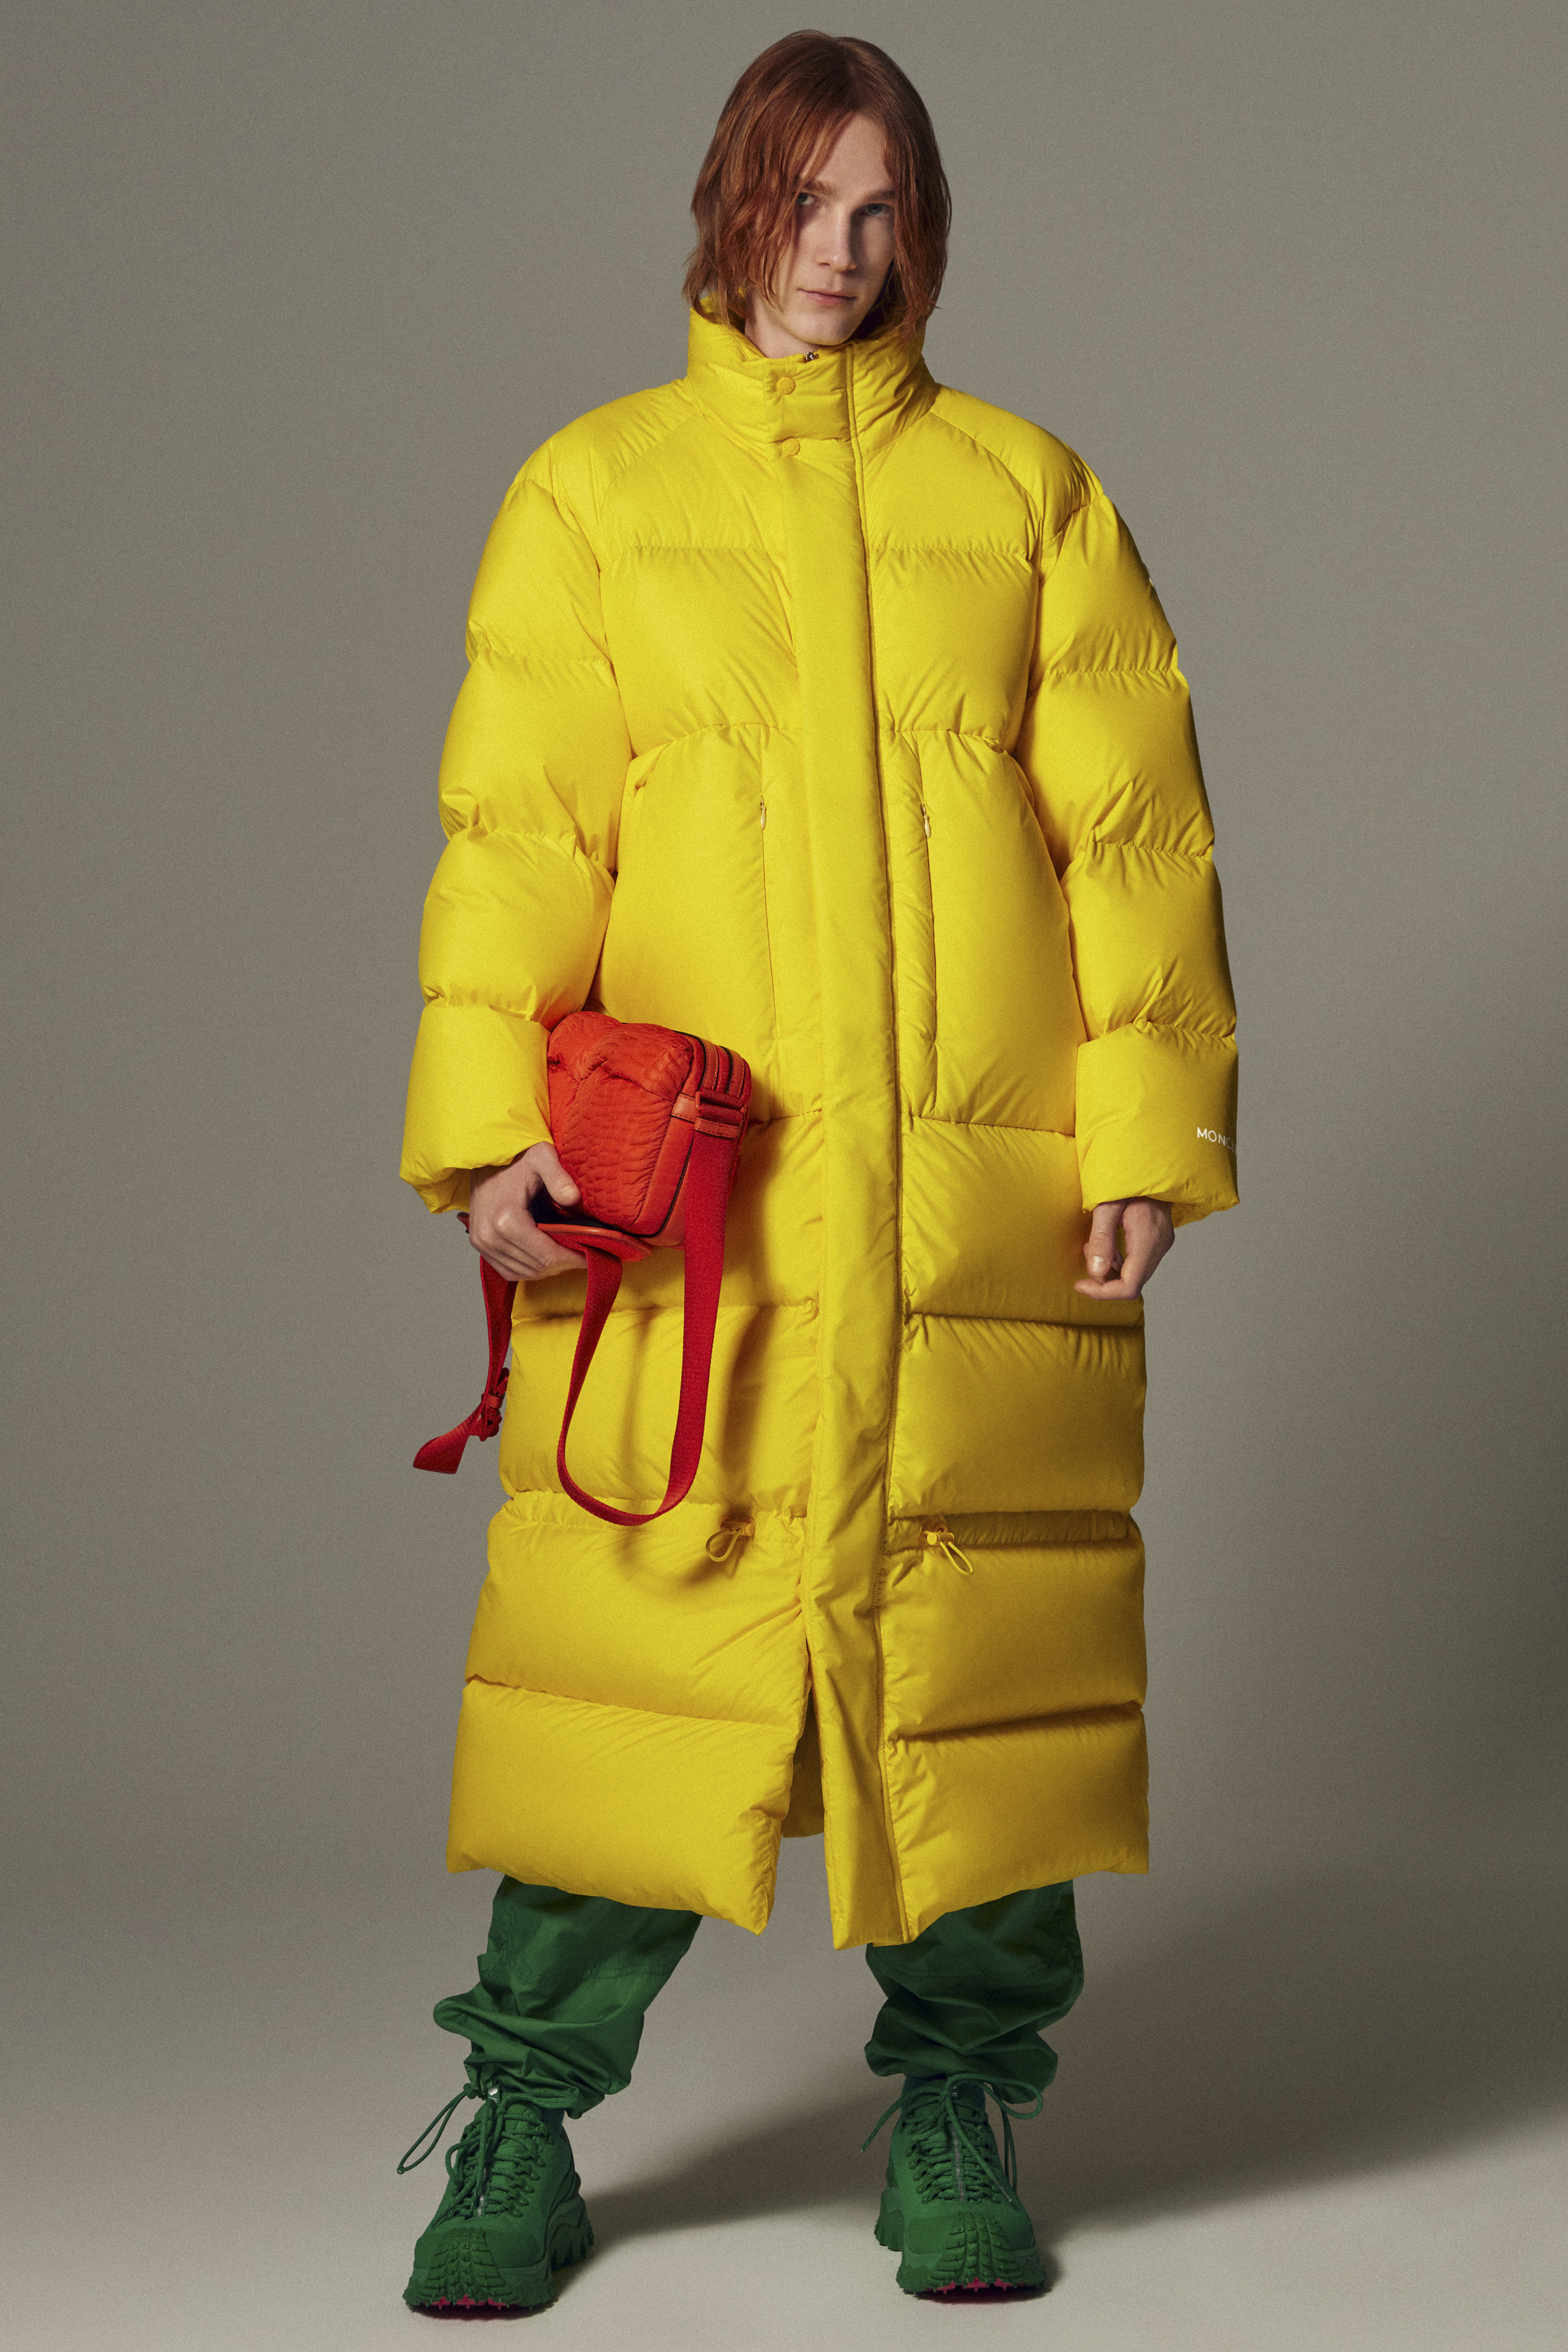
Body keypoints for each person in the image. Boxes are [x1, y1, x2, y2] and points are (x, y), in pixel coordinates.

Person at [395, 29, 1237, 2312]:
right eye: (804, 203)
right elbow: (519, 835)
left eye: (884, 213)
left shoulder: (1030, 493)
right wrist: (480, 1137)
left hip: (972, 1204)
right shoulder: (592, 490)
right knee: (638, 1673)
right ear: (731, 203)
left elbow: (1135, 844)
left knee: (975, 1672)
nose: (841, 254)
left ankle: (962, 2106)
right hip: (700, 1210)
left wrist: (1148, 1134)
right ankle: (523, 2115)